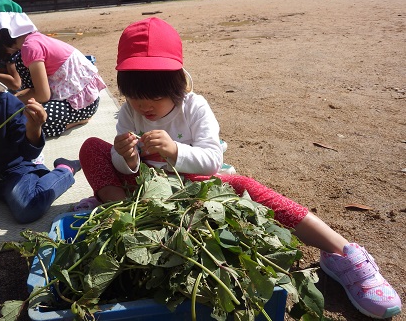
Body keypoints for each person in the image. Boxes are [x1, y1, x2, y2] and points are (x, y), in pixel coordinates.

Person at [78, 17, 402, 320]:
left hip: (197, 187)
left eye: (156, 98)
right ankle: (120, 215)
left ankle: (343, 253)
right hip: (145, 193)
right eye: (135, 98)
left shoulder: (195, 108)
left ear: (178, 84)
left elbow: (211, 160)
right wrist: (128, 158)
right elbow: (123, 163)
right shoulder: (128, 113)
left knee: (246, 186)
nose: (145, 107)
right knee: (92, 148)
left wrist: (175, 150)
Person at [0, 16, 82, 224]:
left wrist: (34, 127)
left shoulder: (6, 105)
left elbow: (28, 153)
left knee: (28, 207)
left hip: (12, 170)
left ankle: (64, 170)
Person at [0, 0, 107, 137]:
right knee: (24, 109)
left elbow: (43, 95)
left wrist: (13, 100)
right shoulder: (31, 41)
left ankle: (75, 121)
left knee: (26, 125)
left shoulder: (30, 47)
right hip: (76, 97)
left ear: (1, 36)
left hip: (81, 105)